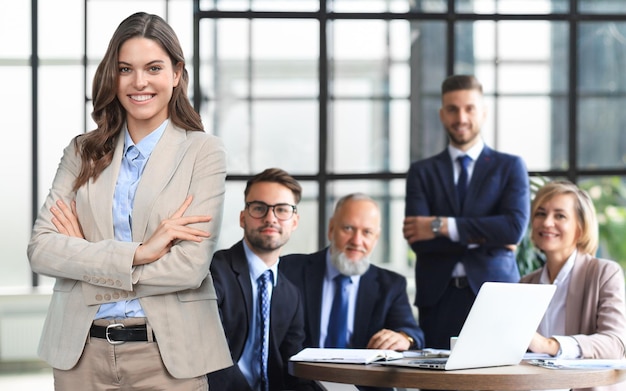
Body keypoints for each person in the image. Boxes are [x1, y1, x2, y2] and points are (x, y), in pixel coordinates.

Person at [27, 12, 231, 390]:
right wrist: (140, 253)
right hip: (80, 354)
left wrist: (85, 262)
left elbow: (188, 268)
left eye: (153, 67)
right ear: (113, 76)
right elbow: (41, 250)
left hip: (168, 357)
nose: (139, 82)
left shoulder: (204, 152)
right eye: (125, 69)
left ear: (176, 73)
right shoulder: (83, 151)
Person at [403, 74, 530, 349]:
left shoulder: (509, 167)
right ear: (442, 114)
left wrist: (441, 225)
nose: (461, 117)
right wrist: (488, 235)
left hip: (496, 294)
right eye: (452, 109)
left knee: (497, 385)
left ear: (483, 112)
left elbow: (512, 229)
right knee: (437, 382)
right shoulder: (422, 172)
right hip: (439, 297)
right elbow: (418, 239)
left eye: (469, 108)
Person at [281, 193, 424, 391]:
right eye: (348, 228)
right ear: (331, 229)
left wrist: (403, 338)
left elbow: (412, 332)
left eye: (367, 232)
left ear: (376, 238)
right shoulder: (290, 271)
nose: (357, 241)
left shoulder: (391, 285)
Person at [208, 168, 315, 391]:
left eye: (282, 210)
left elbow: (293, 368)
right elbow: (211, 356)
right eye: (259, 208)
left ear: (294, 222)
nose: (270, 218)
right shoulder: (213, 272)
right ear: (242, 217)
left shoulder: (290, 294)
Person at [521, 180, 626, 391]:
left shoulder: (604, 273)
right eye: (541, 214)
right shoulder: (526, 284)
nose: (547, 222)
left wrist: (550, 345)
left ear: (580, 227)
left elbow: (615, 343)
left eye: (560, 215)